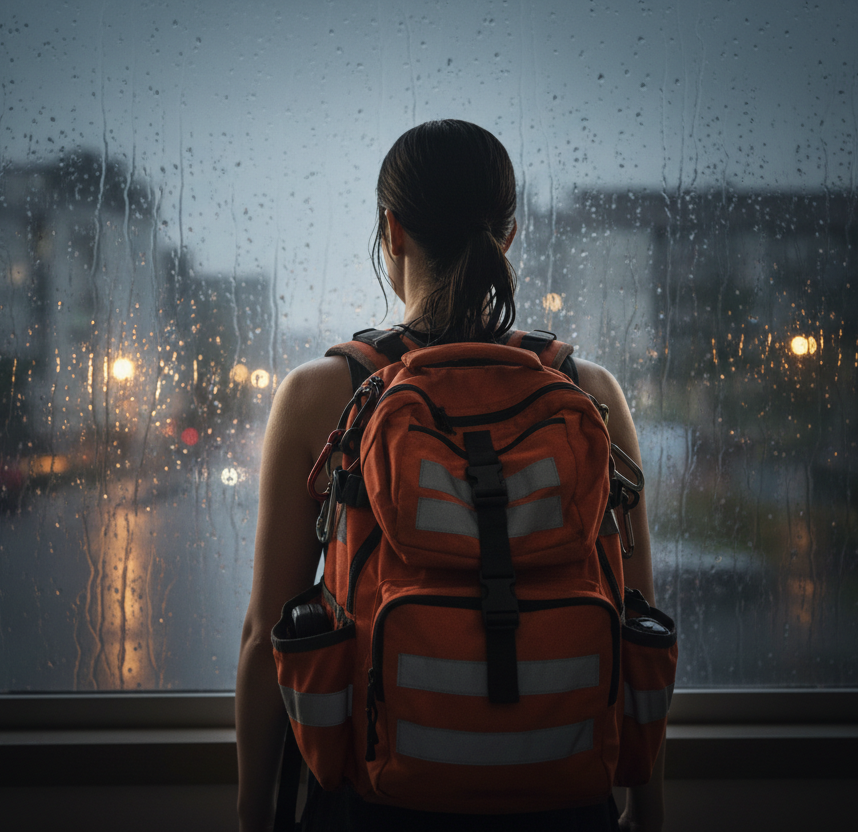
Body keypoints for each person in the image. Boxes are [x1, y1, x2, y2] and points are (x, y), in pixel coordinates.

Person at [236, 120, 664, 832]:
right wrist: (646, 810)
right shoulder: (590, 392)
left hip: (375, 804)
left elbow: (263, 635)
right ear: (510, 233)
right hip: (565, 795)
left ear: (391, 229)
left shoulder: (324, 394)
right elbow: (636, 615)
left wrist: (253, 813)